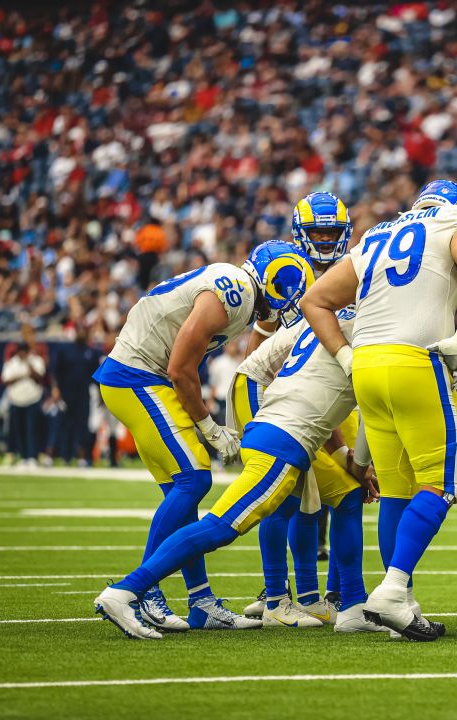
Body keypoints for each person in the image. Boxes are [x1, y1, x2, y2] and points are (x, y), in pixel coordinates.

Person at [94, 305, 381, 639]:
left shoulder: (328, 319)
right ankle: (128, 590)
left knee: (345, 496)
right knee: (220, 527)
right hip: (282, 438)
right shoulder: (371, 334)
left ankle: (352, 607)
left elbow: (319, 399)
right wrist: (359, 464)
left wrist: (347, 458)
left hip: (275, 421)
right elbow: (368, 410)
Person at [302, 178, 457, 642]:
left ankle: (400, 607)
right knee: (442, 481)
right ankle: (393, 588)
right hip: (415, 361)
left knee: (396, 489)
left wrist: (346, 356)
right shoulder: (455, 221)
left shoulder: (379, 235)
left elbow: (315, 300)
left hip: (367, 365)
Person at [91, 240, 313, 632]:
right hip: (140, 376)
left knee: (183, 491)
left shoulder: (235, 286)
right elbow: (180, 367)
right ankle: (142, 593)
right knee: (195, 479)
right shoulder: (235, 290)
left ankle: (201, 601)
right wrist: (209, 426)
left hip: (140, 376)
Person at [231, 191, 370, 629]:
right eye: (318, 232)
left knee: (329, 499)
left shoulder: (361, 267)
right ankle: (281, 593)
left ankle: (321, 593)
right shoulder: (288, 269)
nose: (326, 240)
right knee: (289, 497)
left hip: (341, 395)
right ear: (300, 234)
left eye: (332, 232)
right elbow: (258, 346)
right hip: (296, 398)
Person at [49, 329, 101, 466]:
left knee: (82, 427)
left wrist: (102, 393)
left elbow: (96, 377)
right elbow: (55, 371)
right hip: (65, 395)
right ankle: (54, 455)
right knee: (61, 424)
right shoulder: (65, 350)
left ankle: (82, 457)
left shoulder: (91, 353)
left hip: (83, 395)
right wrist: (55, 388)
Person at [1, 342, 46, 468]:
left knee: (32, 430)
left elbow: (39, 377)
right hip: (16, 400)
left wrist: (29, 365)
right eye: (20, 351)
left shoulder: (36, 361)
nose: (22, 354)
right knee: (19, 430)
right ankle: (23, 456)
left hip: (32, 399)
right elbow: (6, 380)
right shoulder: (11, 363)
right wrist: (21, 376)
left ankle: (32, 456)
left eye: (24, 351)